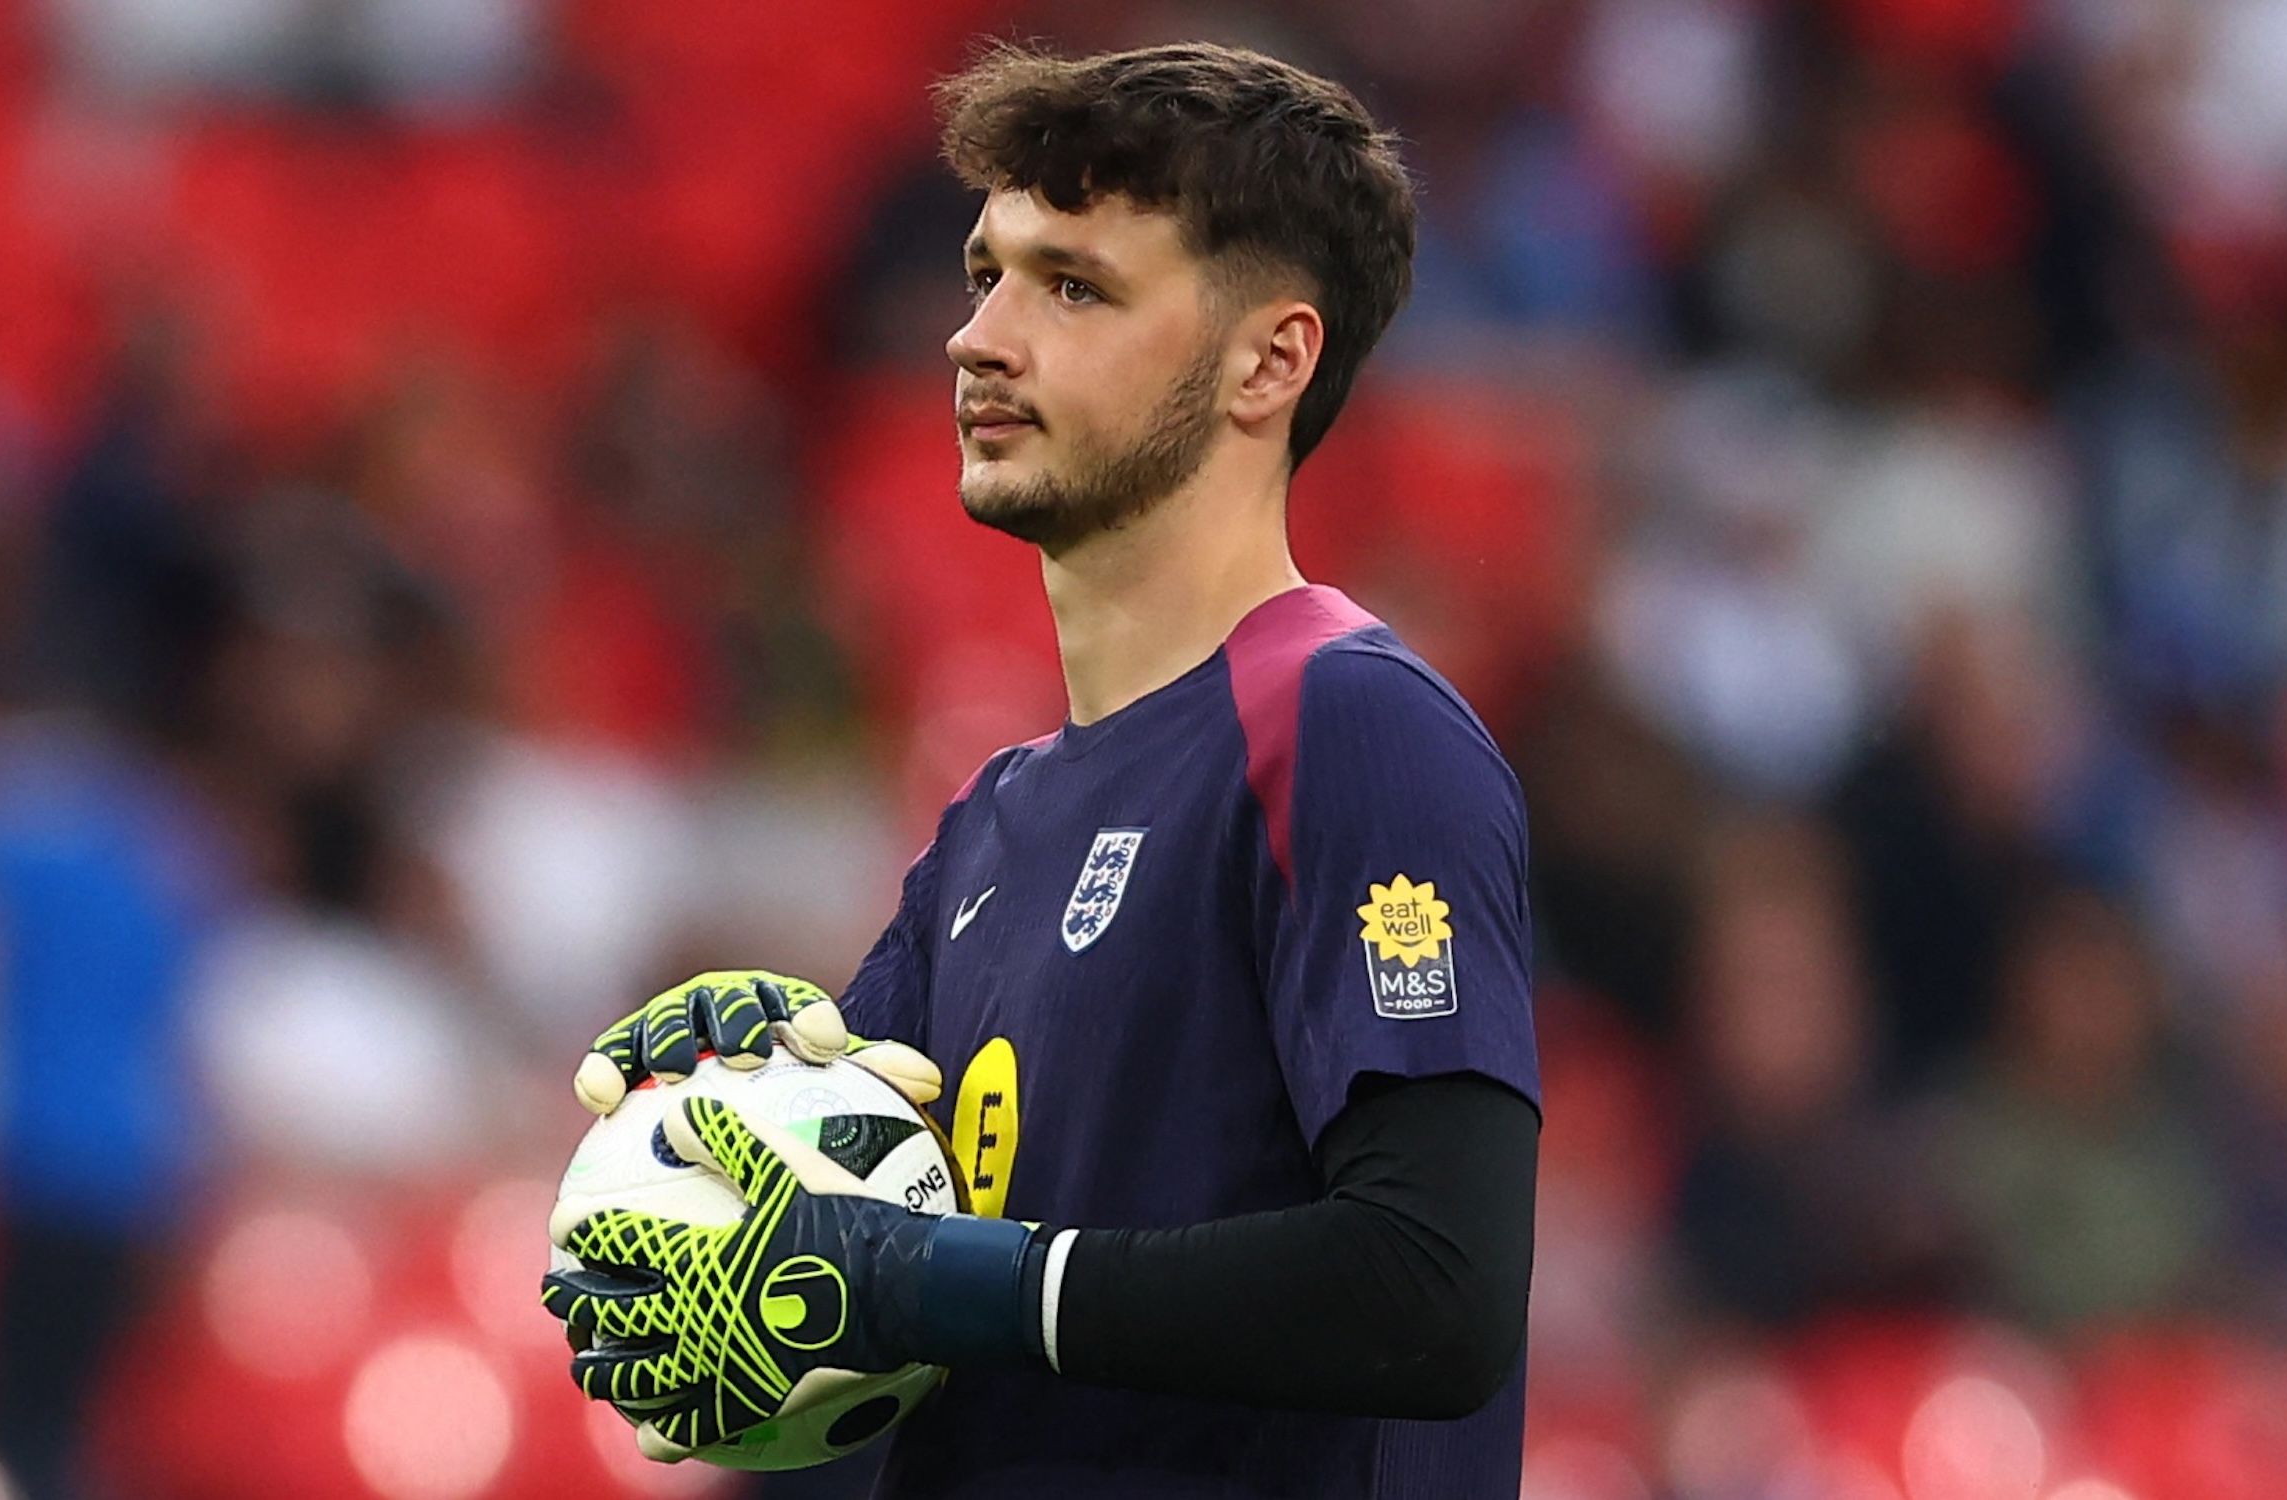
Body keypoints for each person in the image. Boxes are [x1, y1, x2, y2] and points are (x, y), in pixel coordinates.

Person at [540, 41, 1539, 1498]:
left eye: (1073, 286)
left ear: (1271, 360)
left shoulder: (1349, 727)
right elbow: (863, 1297)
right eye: (984, 272)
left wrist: (956, 1283)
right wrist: (724, 1141)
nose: (979, 336)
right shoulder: (993, 822)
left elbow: (1429, 1286)